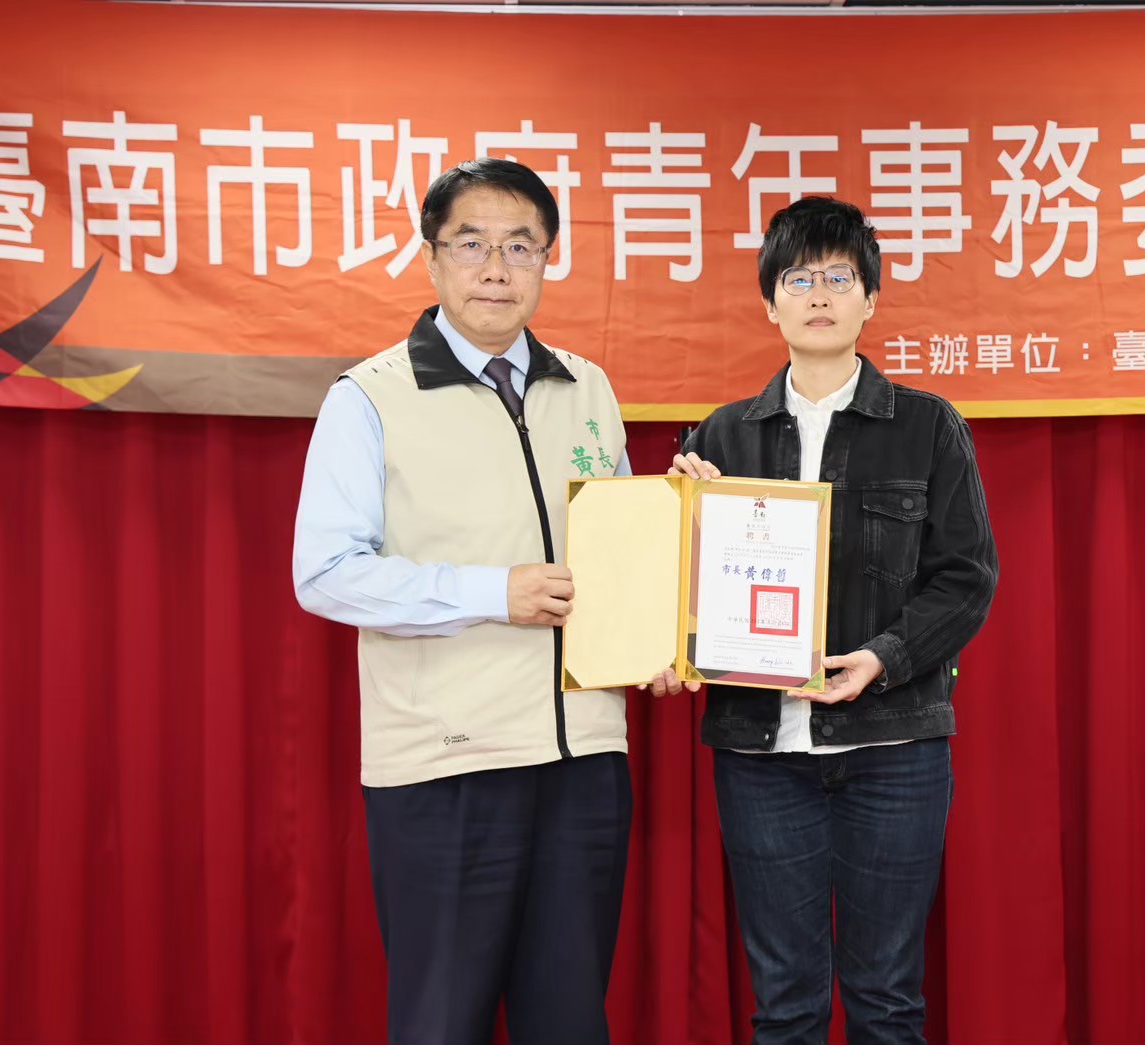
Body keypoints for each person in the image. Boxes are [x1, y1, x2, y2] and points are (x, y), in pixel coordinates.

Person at [294, 158, 632, 1045]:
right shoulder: (369, 396)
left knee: (571, 1022)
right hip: (445, 765)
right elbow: (323, 571)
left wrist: (661, 632)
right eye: (471, 244)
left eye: (520, 246)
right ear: (432, 258)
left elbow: (619, 553)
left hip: (584, 758)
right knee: (441, 1022)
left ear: (547, 259)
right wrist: (493, 592)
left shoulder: (588, 388)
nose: (495, 268)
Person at [654, 195, 998, 1044]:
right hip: (762, 757)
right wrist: (675, 524)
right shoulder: (719, 439)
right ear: (769, 302)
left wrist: (882, 657)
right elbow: (674, 590)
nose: (819, 294)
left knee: (886, 998)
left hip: (894, 749)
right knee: (785, 1003)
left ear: (869, 299)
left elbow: (966, 578)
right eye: (798, 278)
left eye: (839, 277)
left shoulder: (927, 425)